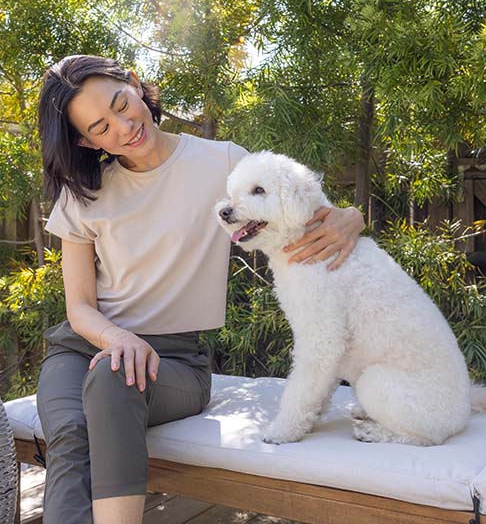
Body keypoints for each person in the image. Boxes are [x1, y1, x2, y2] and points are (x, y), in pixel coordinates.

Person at [35, 54, 365, 524]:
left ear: (133, 83)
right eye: (101, 127)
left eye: (120, 104)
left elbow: (299, 199)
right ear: (87, 141)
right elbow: (80, 308)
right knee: (70, 432)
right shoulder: (83, 192)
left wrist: (351, 218)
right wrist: (119, 340)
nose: (123, 126)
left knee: (115, 376)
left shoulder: (223, 161)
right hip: (82, 348)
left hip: (174, 362)